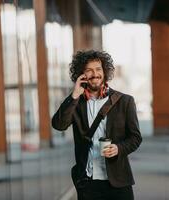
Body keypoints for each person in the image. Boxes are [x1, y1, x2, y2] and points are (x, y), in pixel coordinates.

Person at [51, 50, 142, 200]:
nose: (95, 74)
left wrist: (119, 148)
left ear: (105, 72)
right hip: (88, 182)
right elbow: (59, 125)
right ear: (82, 74)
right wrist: (74, 95)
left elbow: (135, 138)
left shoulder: (125, 101)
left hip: (118, 181)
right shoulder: (76, 103)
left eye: (98, 69)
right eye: (89, 70)